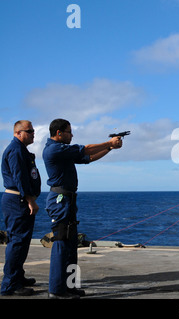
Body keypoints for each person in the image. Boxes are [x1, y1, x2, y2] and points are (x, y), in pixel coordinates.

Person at [42, 119, 122, 299]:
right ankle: (56, 290)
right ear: (59, 133)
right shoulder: (55, 149)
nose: (72, 135)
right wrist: (109, 142)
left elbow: (88, 158)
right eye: (69, 132)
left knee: (71, 246)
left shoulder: (63, 151)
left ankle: (69, 286)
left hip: (68, 200)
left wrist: (109, 149)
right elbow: (85, 149)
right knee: (61, 244)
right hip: (60, 201)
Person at [1, 120, 41, 296]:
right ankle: (10, 285)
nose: (33, 133)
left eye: (33, 131)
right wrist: (30, 200)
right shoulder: (16, 150)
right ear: (18, 133)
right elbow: (20, 177)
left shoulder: (21, 149)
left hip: (19, 199)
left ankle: (17, 276)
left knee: (21, 241)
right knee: (17, 241)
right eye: (29, 131)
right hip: (18, 200)